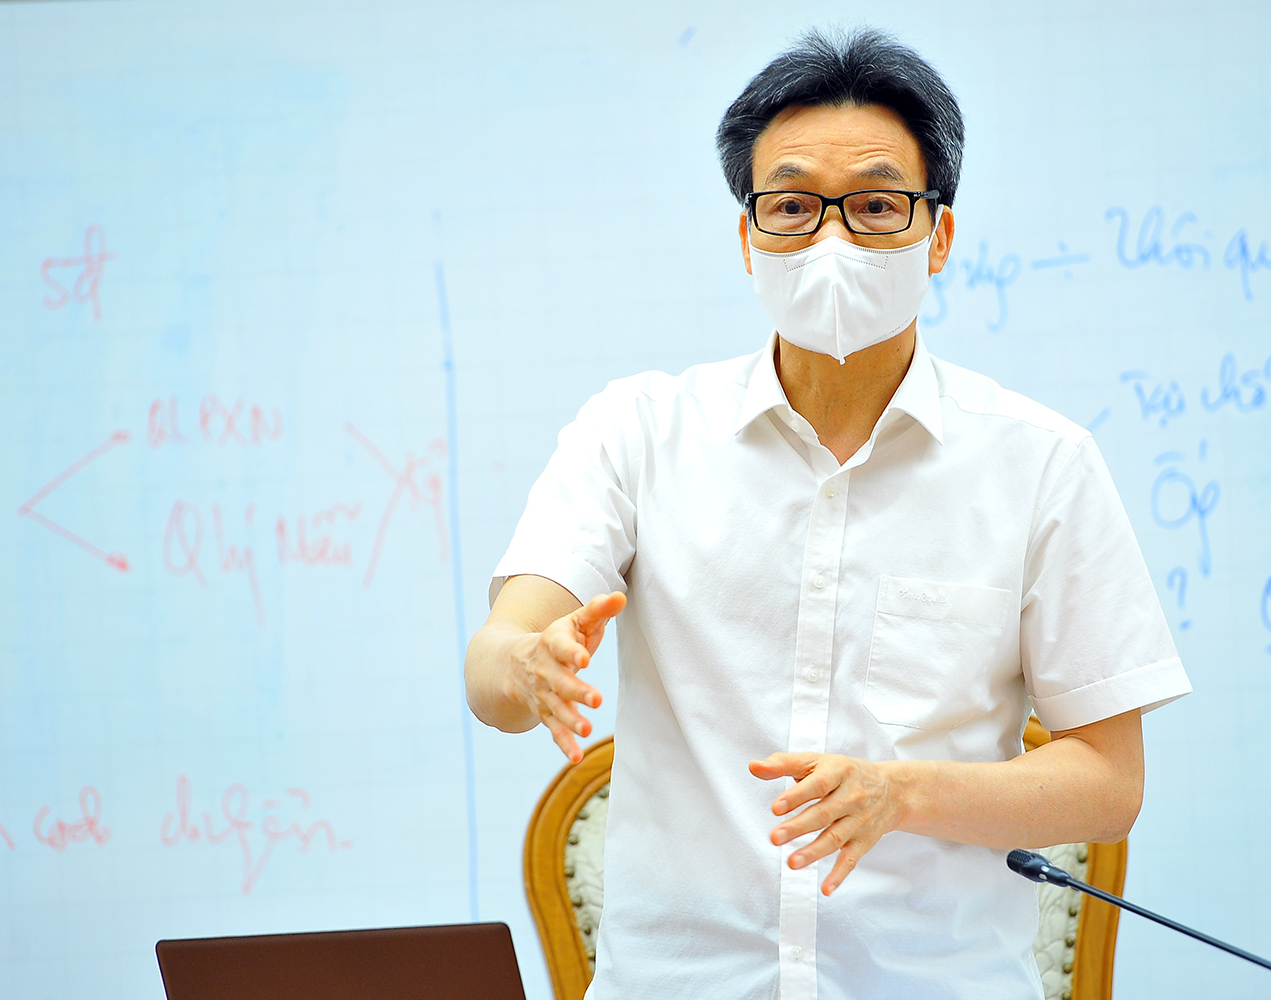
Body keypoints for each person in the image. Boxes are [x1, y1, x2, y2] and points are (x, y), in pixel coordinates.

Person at [465, 27, 1191, 1000]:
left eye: (878, 205)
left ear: (939, 236)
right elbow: (495, 666)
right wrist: (525, 665)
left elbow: (1108, 783)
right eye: (793, 206)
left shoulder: (1041, 464)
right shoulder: (638, 433)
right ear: (747, 237)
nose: (833, 240)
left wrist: (902, 792)